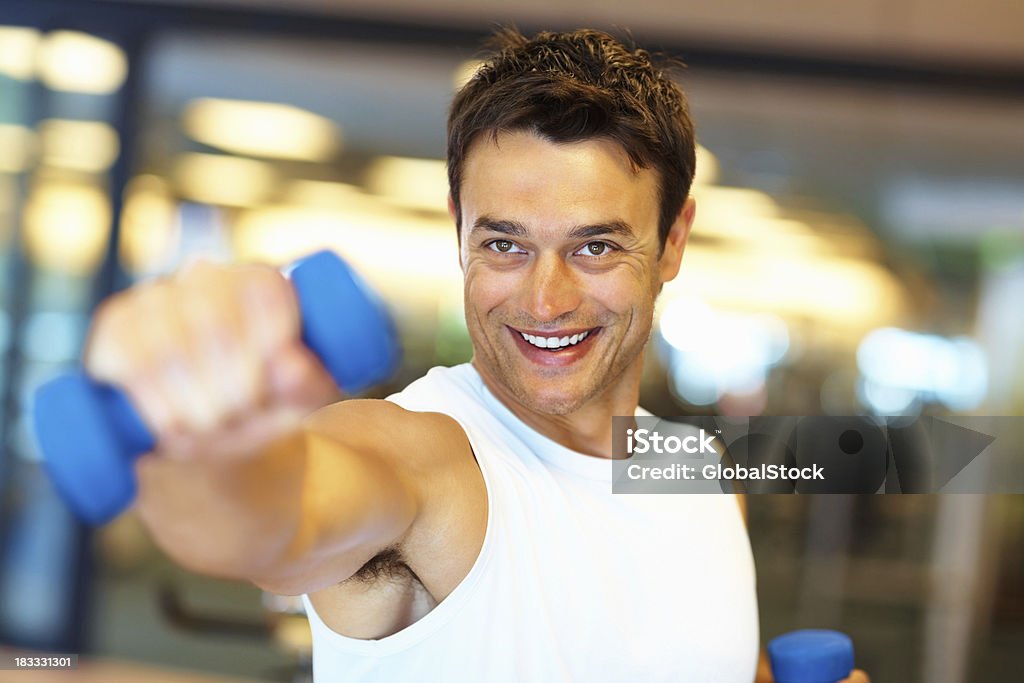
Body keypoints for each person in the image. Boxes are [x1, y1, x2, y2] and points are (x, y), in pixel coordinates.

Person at [85, 28, 868, 682]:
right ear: (457, 227)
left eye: (595, 246)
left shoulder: (697, 470)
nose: (545, 300)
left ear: (673, 241)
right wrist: (204, 445)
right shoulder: (427, 461)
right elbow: (270, 524)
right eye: (505, 243)